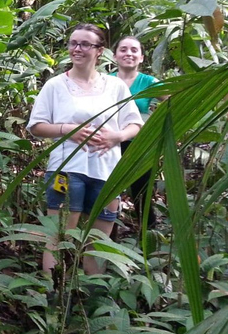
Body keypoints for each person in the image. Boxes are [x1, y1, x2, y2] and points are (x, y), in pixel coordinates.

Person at [27, 23, 143, 275]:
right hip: (67, 168)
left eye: (85, 44)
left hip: (108, 171)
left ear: (100, 51)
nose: (77, 49)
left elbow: (134, 123)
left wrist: (117, 136)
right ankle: (51, 295)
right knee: (58, 236)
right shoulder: (55, 85)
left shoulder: (115, 87)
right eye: (73, 43)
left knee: (98, 242)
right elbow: (36, 126)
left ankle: (90, 297)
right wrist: (68, 130)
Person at [110, 35, 166, 230]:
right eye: (123, 49)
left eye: (134, 50)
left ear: (141, 57)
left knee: (142, 193)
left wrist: (156, 128)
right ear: (115, 56)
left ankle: (146, 241)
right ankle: (107, 238)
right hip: (109, 144)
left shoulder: (149, 82)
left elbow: (174, 102)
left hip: (139, 145)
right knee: (108, 192)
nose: (129, 54)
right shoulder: (104, 81)